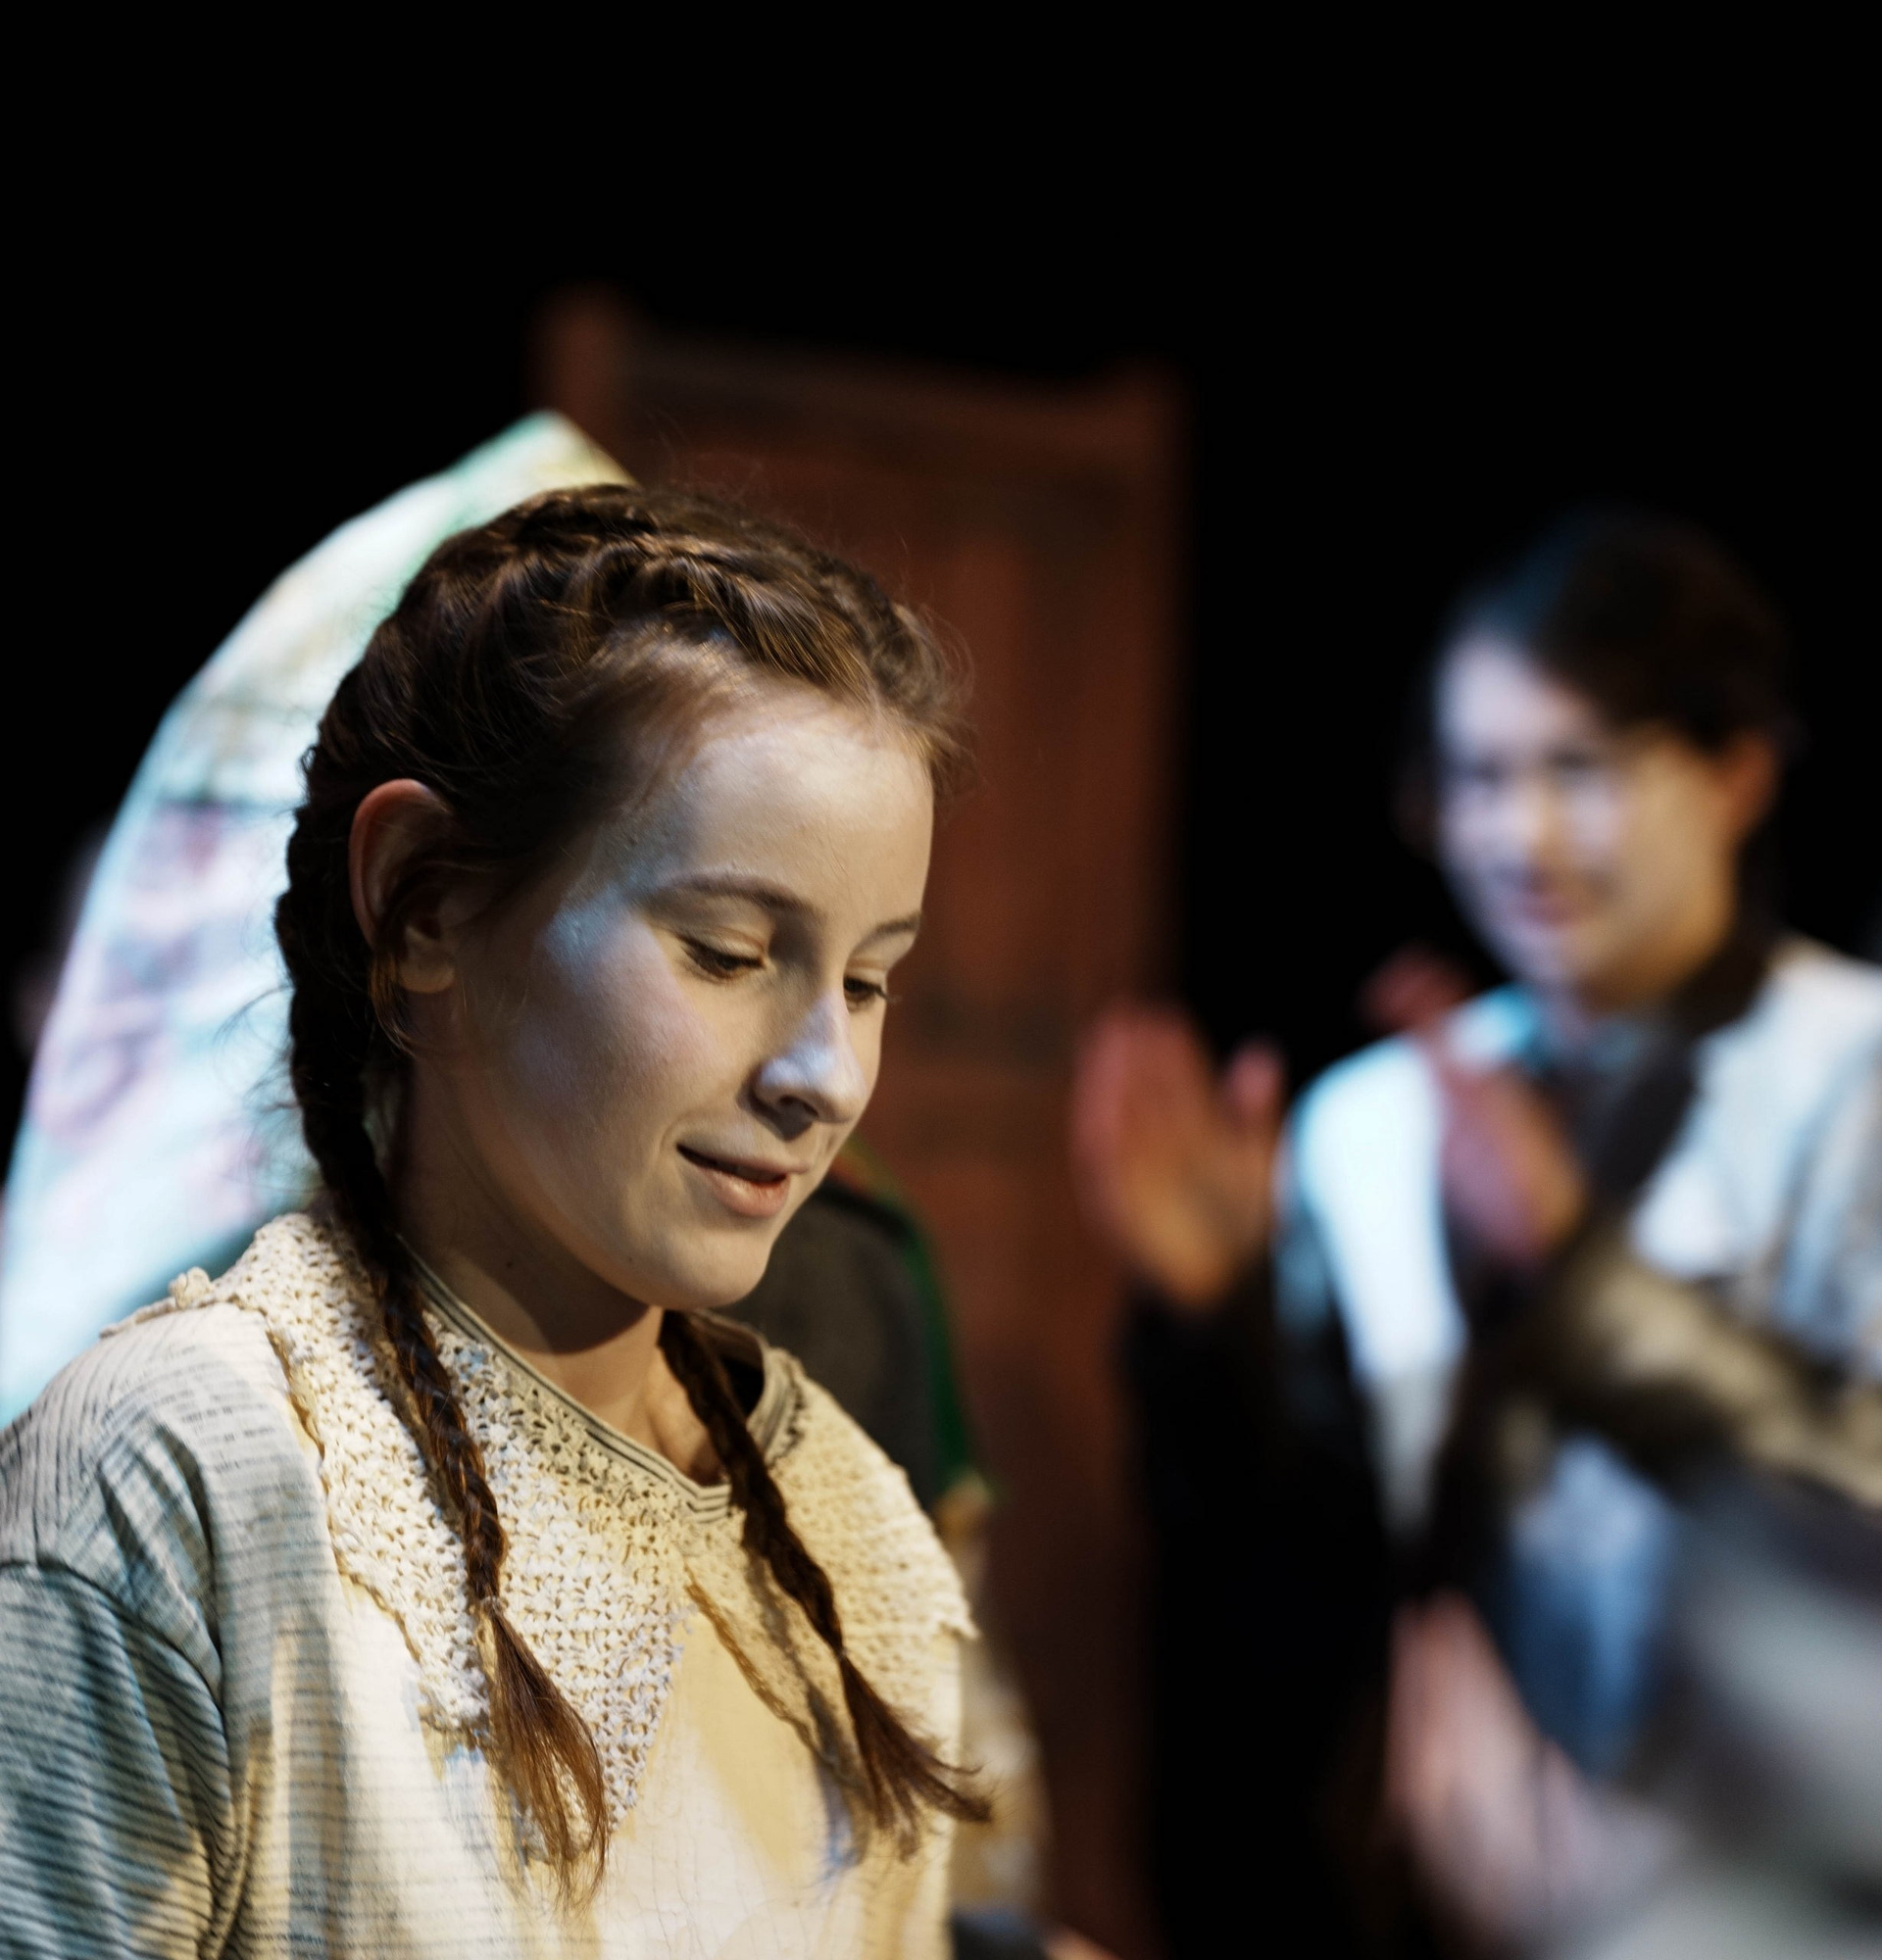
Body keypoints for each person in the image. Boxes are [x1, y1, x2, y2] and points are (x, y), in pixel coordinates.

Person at [0, 483, 991, 1955]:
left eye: (867, 981)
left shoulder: (853, 1545)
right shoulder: (191, 1482)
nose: (826, 1076)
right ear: (426, 909)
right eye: (728, 952)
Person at [1074, 511, 1882, 1952]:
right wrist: (1221, 1323)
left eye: (1582, 769)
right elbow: (1307, 1558)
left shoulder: (1851, 1072)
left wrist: (1579, 1279)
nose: (1521, 834)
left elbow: (1853, 1493)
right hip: (1435, 1890)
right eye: (1478, 778)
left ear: (1739, 772)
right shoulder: (1377, 1114)